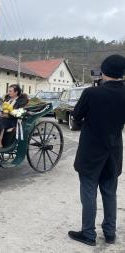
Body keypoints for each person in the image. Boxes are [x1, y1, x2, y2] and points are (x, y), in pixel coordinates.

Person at [68, 54, 125, 246]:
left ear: (104, 71)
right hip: (114, 149)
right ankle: (110, 233)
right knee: (110, 192)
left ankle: (89, 234)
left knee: (89, 192)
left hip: (91, 150)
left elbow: (76, 115)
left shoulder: (92, 93)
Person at [0, 84, 28, 149]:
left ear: (16, 92)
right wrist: (1, 113)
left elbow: (20, 113)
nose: (8, 92)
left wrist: (8, 115)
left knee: (0, 121)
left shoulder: (21, 101)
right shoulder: (7, 99)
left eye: (10, 91)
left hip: (14, 120)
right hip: (5, 119)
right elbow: (3, 108)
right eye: (8, 91)